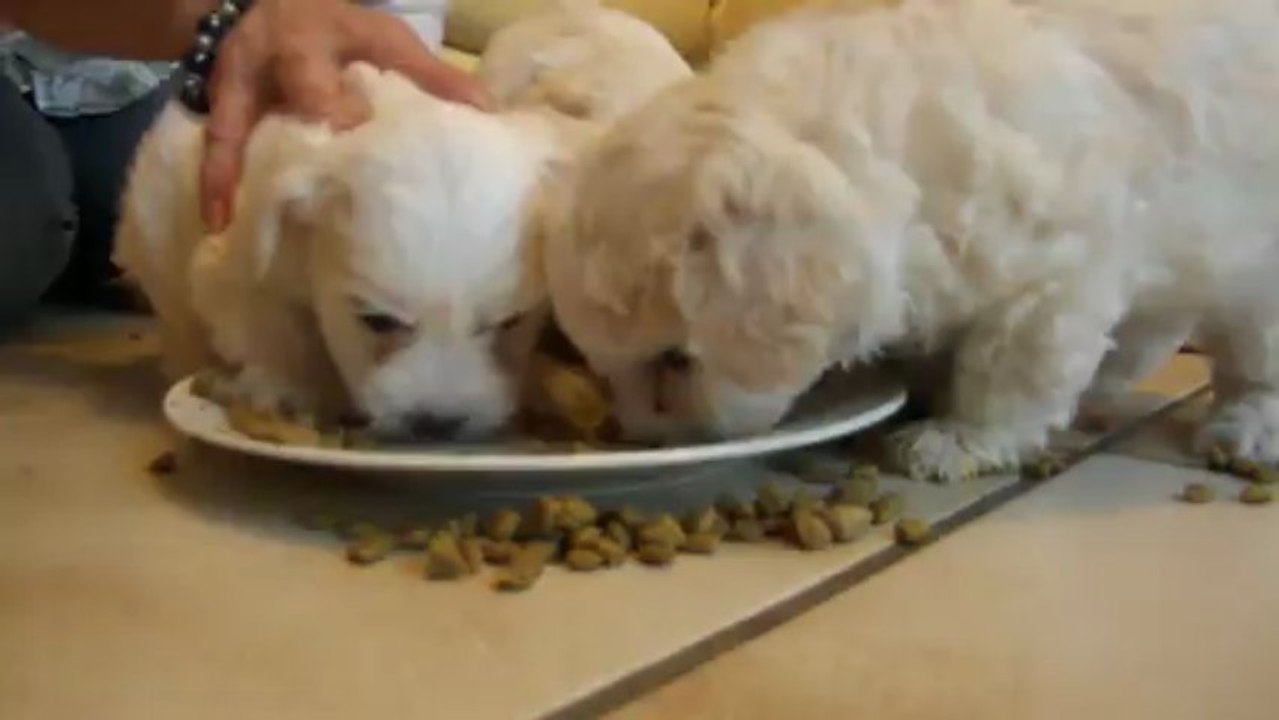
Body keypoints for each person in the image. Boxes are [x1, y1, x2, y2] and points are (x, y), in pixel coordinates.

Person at [0, 0, 487, 327]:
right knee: (20, 231)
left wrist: (368, 95)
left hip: (143, 69)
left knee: (175, 214)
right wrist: (221, 24)